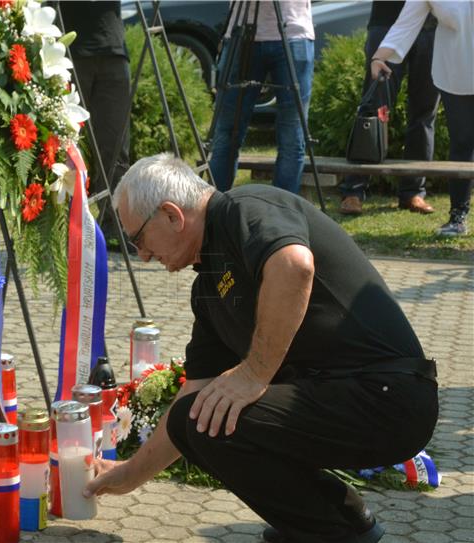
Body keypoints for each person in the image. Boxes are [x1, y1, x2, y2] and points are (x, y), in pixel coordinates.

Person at [86, 153, 438, 543]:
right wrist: (128, 474)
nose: (143, 255)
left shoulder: (245, 208)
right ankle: (335, 521)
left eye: (137, 239)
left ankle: (334, 532)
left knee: (205, 416)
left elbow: (293, 266)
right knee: (199, 417)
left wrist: (254, 374)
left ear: (172, 215)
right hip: (347, 398)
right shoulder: (208, 286)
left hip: (389, 398)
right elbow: (194, 389)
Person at [371, 0, 473, 236]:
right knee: (463, 144)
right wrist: (379, 57)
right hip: (455, 73)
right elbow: (406, 23)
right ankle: (458, 216)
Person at [339, 1, 438, 216]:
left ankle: (413, 192)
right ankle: (354, 190)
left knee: (424, 114)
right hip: (386, 24)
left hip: (430, 27)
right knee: (374, 110)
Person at [209, 0, 314, 194]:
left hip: (293, 32)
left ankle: (282, 214)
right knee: (227, 131)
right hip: (241, 32)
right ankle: (214, 210)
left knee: (292, 134)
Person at [58, 1, 131, 239]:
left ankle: (116, 224)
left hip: (112, 50)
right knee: (63, 147)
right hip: (68, 53)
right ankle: (62, 226)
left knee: (115, 148)